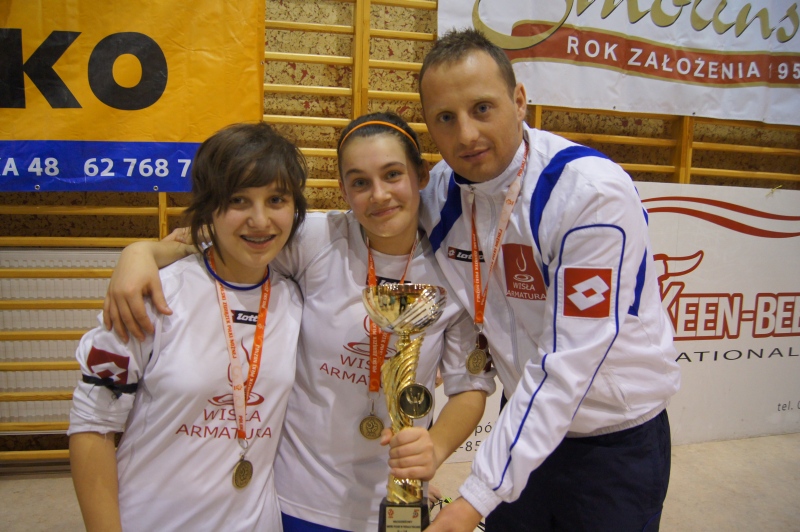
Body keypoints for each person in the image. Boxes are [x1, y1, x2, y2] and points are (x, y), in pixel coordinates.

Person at [102, 112, 495, 531]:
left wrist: (435, 448)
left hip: (398, 495)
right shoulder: (314, 239)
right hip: (299, 496)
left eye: (392, 174)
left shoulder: (455, 266)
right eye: (360, 182)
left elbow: (470, 386)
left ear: (420, 176)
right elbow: (211, 243)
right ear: (343, 189)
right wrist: (139, 253)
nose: (379, 195)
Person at [416, 30, 681, 531]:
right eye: (445, 118)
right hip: (520, 426)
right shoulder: (439, 194)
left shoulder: (589, 195)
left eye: (482, 108)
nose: (466, 134)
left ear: (519, 100)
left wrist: (473, 500)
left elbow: (568, 365)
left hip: (613, 443)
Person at [67, 122, 306, 531]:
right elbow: (92, 427)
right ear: (210, 206)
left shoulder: (296, 298)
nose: (260, 220)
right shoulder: (151, 295)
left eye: (276, 199)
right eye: (238, 200)